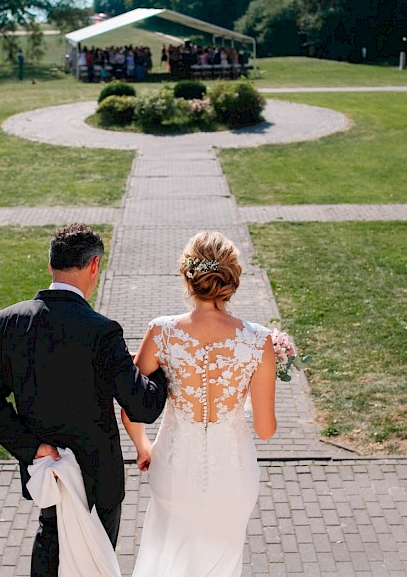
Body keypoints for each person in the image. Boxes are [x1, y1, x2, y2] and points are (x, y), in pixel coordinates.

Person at [0, 223, 169, 577]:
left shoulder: (6, 323)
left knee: (51, 542)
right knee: (94, 564)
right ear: (94, 266)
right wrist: (160, 367)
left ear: (50, 265)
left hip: (50, 475)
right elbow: (143, 406)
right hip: (98, 481)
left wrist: (32, 447)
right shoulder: (102, 331)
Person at [123, 230, 278, 577]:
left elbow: (130, 403)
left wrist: (143, 446)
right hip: (233, 474)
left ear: (187, 277)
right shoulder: (259, 340)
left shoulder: (161, 331)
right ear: (232, 279)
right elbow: (265, 430)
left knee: (170, 556)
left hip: (174, 466)